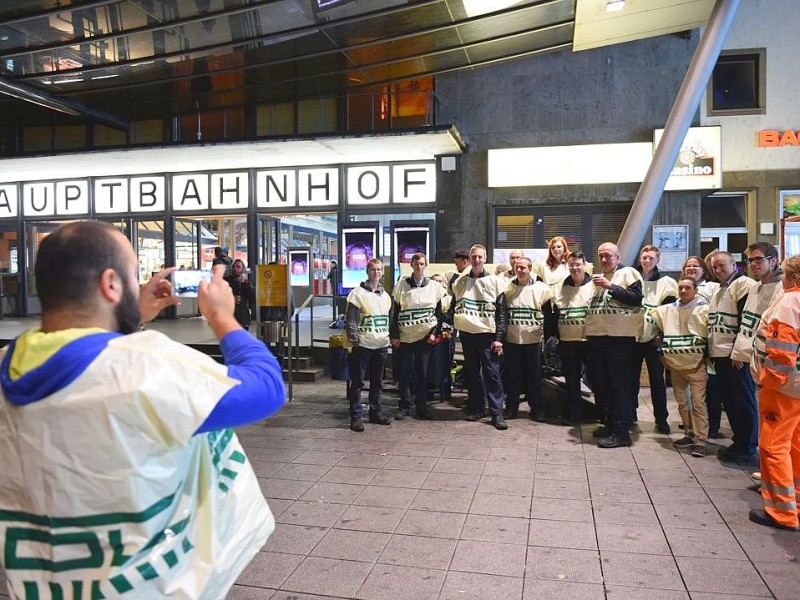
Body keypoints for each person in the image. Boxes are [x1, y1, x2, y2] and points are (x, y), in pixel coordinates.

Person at [0, 221, 285, 599]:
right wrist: (222, 316)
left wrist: (127, 316)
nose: (141, 284)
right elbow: (266, 388)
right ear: (111, 284)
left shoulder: (9, 365)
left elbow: (85, 354)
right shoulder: (147, 367)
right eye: (134, 275)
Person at [749, 254, 800, 531]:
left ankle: (781, 512)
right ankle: (795, 504)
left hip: (784, 388)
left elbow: (782, 351)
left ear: (790, 277)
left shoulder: (791, 302)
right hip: (796, 390)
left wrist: (769, 383)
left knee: (773, 447)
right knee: (795, 446)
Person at [724, 243, 784, 463]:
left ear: (774, 261)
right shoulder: (756, 287)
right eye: (750, 260)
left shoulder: (782, 290)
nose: (753, 264)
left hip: (773, 364)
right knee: (753, 408)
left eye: (758, 260)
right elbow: (747, 324)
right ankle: (759, 456)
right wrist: (739, 353)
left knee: (775, 418)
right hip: (750, 360)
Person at [585, 242, 643, 448]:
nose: (604, 260)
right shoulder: (596, 280)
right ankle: (609, 424)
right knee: (603, 386)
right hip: (598, 339)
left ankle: (622, 432)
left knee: (620, 387)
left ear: (618, 257)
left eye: (608, 256)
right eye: (601, 256)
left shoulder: (629, 274)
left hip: (620, 340)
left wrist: (611, 287)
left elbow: (636, 299)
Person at [448, 244, 508, 430]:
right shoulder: (460, 282)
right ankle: (477, 408)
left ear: (485, 258)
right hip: (467, 335)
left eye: (480, 257)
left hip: (488, 336)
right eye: (474, 256)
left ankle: (497, 413)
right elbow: (453, 307)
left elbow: (501, 312)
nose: (477, 260)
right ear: (470, 258)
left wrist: (499, 337)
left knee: (492, 374)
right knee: (472, 374)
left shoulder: (495, 282)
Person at [652, 277, 710, 457]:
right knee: (682, 403)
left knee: (699, 404)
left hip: (696, 365)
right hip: (675, 365)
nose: (684, 291)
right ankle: (689, 433)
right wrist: (662, 353)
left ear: (695, 290)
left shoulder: (704, 310)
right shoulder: (667, 311)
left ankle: (701, 440)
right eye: (681, 287)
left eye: (688, 288)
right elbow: (657, 332)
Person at [707, 251, 757, 462]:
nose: (718, 270)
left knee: (741, 401)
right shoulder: (721, 289)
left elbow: (746, 322)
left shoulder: (743, 285)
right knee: (730, 401)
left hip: (734, 356)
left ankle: (746, 445)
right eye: (714, 268)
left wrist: (740, 352)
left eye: (721, 266)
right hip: (721, 353)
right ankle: (740, 441)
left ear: (733, 263)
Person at [390, 253, 445, 420]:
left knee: (423, 373)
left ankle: (421, 405)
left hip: (424, 337)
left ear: (425, 265)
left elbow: (439, 313)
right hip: (405, 337)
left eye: (421, 264)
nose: (419, 266)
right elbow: (394, 312)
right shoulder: (400, 286)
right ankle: (404, 405)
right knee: (404, 373)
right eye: (416, 263)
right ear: (411, 265)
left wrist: (434, 334)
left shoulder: (434, 287)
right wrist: (394, 335)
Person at [502, 256, 553, 420]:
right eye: (517, 267)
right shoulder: (507, 288)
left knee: (534, 377)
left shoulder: (542, 289)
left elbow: (548, 315)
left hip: (533, 341)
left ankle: (537, 409)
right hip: (512, 340)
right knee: (512, 377)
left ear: (530, 269)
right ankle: (511, 408)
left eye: (523, 267)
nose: (519, 270)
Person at [345, 258, 392, 432]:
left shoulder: (385, 296)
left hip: (381, 345)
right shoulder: (357, 294)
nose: (376, 272)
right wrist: (355, 341)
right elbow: (351, 320)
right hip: (363, 346)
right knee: (357, 383)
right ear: (367, 271)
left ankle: (375, 411)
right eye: (373, 269)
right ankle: (356, 417)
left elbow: (389, 319)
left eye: (379, 269)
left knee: (377, 381)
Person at [635, 245, 678, 434]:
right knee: (629, 380)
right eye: (644, 257)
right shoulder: (630, 277)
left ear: (657, 260)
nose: (647, 261)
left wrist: (661, 335)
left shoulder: (666, 283)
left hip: (653, 339)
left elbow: (669, 313)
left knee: (657, 381)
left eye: (651, 258)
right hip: (632, 339)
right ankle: (630, 414)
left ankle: (661, 419)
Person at [553, 251, 594, 425]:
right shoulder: (559, 287)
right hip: (567, 341)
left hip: (590, 342)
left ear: (584, 265)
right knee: (571, 380)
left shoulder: (594, 286)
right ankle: (574, 414)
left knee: (596, 379)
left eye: (578, 264)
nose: (575, 268)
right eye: (571, 265)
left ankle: (601, 413)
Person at [225, 258, 256, 328]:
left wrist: (246, 283)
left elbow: (253, 298)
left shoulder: (247, 283)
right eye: (234, 267)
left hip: (243, 317)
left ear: (243, 269)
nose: (235, 269)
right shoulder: (226, 281)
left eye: (238, 267)